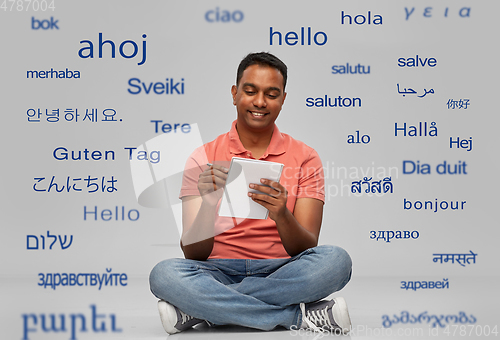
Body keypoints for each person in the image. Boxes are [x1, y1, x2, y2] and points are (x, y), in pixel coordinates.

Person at [149, 52, 352, 334]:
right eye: (250, 91)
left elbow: (306, 247)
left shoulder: (306, 157)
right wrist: (209, 204)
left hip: (283, 269)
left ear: (282, 99)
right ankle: (296, 317)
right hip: (216, 271)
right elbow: (193, 253)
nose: (259, 102)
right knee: (164, 275)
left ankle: (203, 309)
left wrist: (281, 214)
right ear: (234, 94)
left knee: (336, 262)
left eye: (271, 94)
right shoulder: (203, 157)